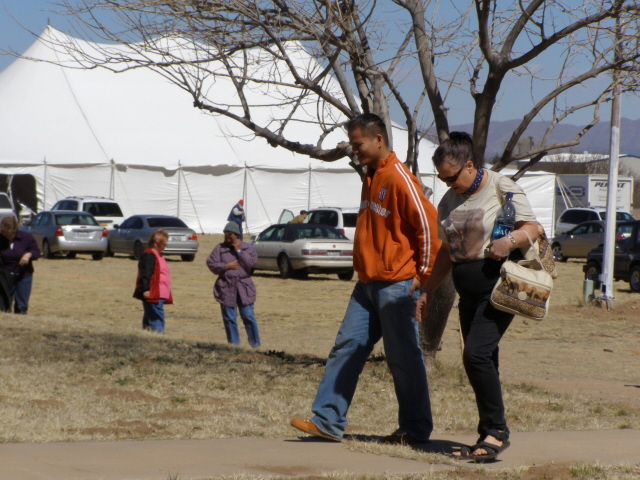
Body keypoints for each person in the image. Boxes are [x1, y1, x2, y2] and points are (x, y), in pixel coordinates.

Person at [290, 113, 441, 444]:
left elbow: (430, 229)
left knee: (402, 358)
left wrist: (423, 276)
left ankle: (415, 429)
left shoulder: (401, 178)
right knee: (347, 346)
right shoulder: (371, 177)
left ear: (379, 140)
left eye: (358, 145)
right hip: (367, 283)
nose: (354, 151)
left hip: (398, 284)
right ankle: (328, 420)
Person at [416, 132, 538, 461]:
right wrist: (427, 289)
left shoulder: (501, 185)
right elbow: (446, 252)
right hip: (468, 294)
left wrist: (509, 241)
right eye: (442, 178)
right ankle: (488, 433)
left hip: (498, 288)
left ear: (469, 166)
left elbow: (532, 227)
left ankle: (497, 431)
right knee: (483, 362)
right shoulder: (448, 202)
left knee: (475, 356)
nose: (448, 183)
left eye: (452, 176)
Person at [206, 221, 261, 348]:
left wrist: (239, 251)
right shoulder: (219, 249)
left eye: (230, 237)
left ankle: (255, 345)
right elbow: (211, 264)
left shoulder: (248, 248)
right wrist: (225, 266)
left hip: (244, 287)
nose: (228, 240)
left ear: (237, 236)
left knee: (248, 316)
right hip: (226, 287)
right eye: (226, 237)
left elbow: (251, 264)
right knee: (229, 318)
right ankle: (234, 345)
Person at [133, 230, 173, 333]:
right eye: (163, 244)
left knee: (150, 314)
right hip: (153, 292)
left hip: (160, 292)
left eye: (165, 244)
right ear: (155, 243)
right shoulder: (149, 256)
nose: (165, 247)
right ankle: (158, 335)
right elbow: (145, 274)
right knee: (156, 315)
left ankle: (147, 333)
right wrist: (146, 289)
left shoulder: (159, 256)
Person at [0, 216, 41, 314]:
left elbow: (36, 252)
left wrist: (28, 254)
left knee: (21, 306)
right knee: (3, 305)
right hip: (4, 275)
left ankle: (21, 320)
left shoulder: (26, 237)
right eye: (7, 234)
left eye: (12, 234)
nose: (9, 236)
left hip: (23, 274)